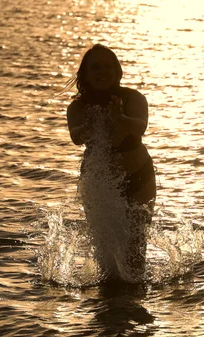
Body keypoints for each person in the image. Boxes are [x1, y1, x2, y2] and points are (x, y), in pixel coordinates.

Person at [64, 44, 156, 282]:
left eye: (107, 66)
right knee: (104, 245)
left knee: (136, 245)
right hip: (99, 180)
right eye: (95, 67)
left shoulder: (133, 98)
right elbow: (76, 137)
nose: (102, 71)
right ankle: (108, 300)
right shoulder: (77, 107)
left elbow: (141, 127)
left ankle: (133, 299)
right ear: (85, 74)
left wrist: (119, 118)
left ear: (117, 71)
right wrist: (92, 123)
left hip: (138, 175)